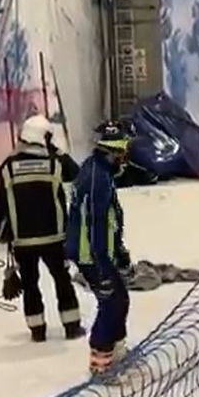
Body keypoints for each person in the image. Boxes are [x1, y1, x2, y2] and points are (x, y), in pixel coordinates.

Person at [0, 114, 84, 343]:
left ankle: (37, 331)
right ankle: (71, 326)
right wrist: (56, 150)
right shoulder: (54, 164)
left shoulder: (8, 167)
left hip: (23, 240)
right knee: (62, 279)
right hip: (54, 238)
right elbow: (76, 174)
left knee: (30, 284)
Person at [67, 120, 133, 378]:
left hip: (100, 252)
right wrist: (103, 264)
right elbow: (96, 224)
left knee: (120, 299)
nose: (126, 158)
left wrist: (119, 251)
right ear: (115, 151)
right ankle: (101, 363)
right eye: (124, 152)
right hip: (92, 255)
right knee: (111, 304)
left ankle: (117, 352)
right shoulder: (98, 179)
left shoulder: (98, 171)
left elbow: (109, 222)